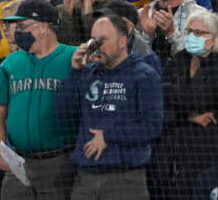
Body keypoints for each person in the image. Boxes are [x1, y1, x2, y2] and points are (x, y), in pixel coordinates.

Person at [56, 13, 164, 198]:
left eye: (103, 40)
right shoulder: (87, 74)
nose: (97, 46)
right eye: (93, 40)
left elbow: (152, 127)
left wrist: (108, 136)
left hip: (125, 179)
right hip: (86, 177)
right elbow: (62, 112)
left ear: (122, 41)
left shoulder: (144, 75)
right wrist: (75, 71)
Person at [0, 0, 78, 199]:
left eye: (22, 26)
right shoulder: (11, 62)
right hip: (18, 162)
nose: (17, 31)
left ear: (42, 27)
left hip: (60, 162)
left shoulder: (73, 58)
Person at [153, 8, 218, 198]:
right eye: (189, 31)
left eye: (199, 33)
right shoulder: (177, 60)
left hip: (208, 148)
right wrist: (189, 116)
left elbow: (200, 97)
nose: (192, 36)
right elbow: (158, 100)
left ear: (214, 37)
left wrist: (171, 93)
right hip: (173, 148)